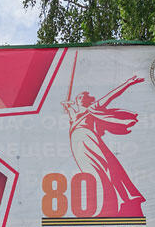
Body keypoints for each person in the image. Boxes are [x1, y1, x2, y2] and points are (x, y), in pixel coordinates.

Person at [62, 76, 145, 217]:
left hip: (89, 139)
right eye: (79, 97)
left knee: (105, 168)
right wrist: (67, 106)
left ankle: (119, 201)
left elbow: (111, 95)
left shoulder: (92, 108)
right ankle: (102, 204)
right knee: (90, 171)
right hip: (77, 144)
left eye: (83, 96)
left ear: (87, 100)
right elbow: (71, 113)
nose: (80, 98)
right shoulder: (75, 114)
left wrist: (127, 83)